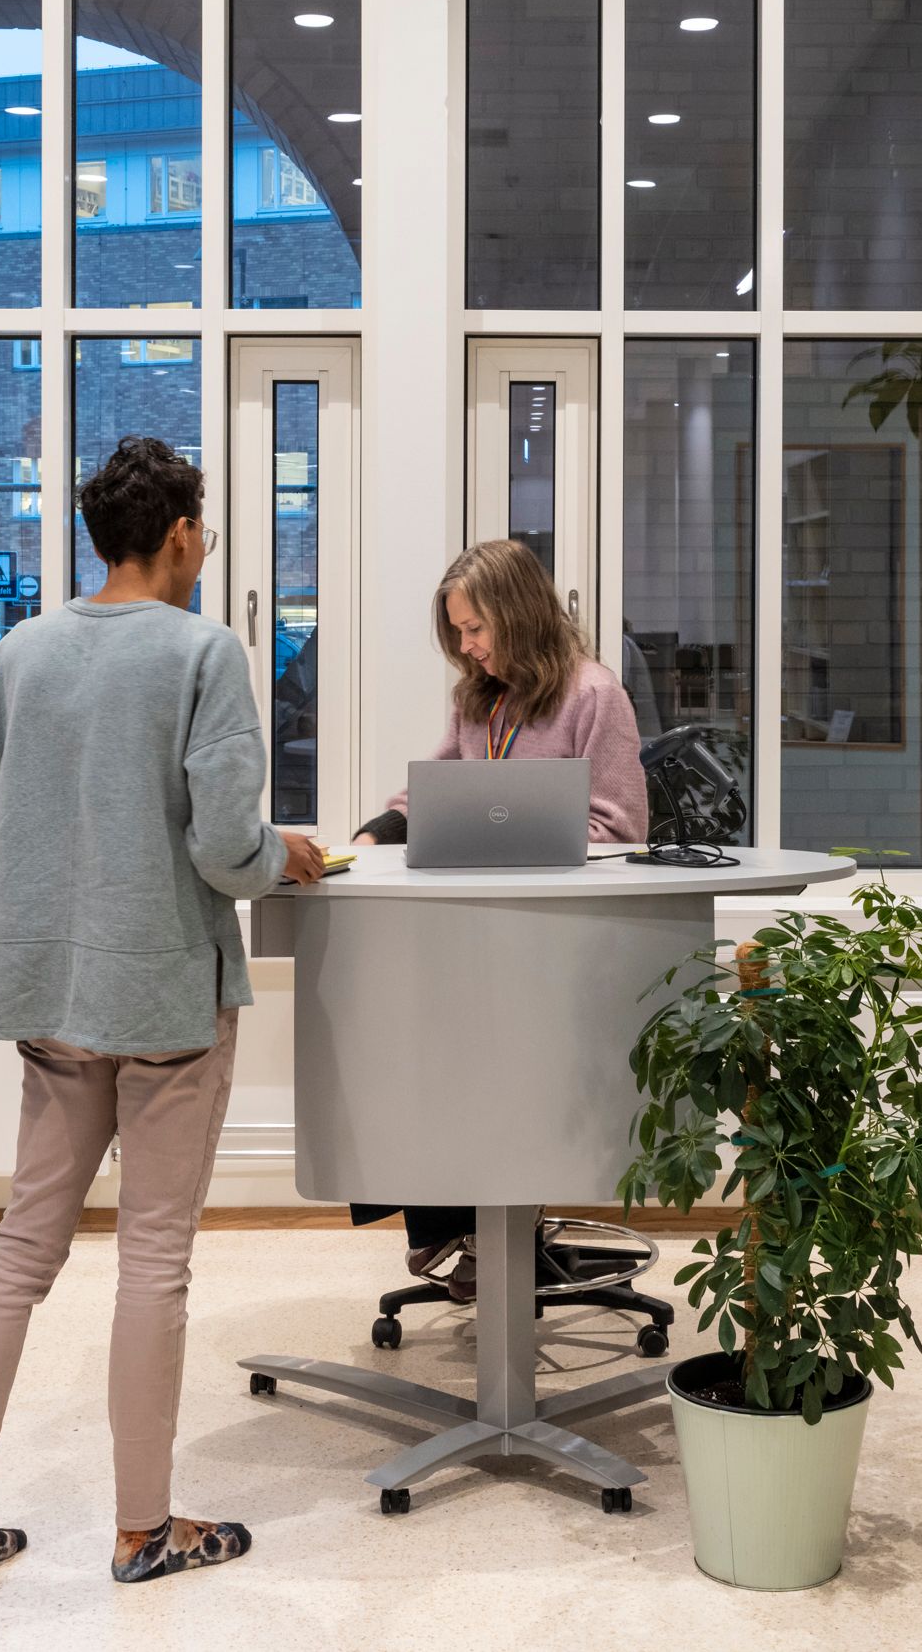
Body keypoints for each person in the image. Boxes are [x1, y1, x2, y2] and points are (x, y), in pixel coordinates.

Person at [0, 436, 325, 1592]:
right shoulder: (205, 650)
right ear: (182, 534)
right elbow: (222, 845)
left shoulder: (22, 649)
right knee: (154, 1257)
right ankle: (145, 1530)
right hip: (164, 998)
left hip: (51, 997)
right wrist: (280, 856)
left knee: (20, 1249)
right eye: (203, 529)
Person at [346, 539, 648, 1297]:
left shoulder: (592, 695)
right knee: (403, 1035)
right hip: (481, 938)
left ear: (516, 614)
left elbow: (620, 828)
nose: (467, 647)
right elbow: (437, 790)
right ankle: (454, 1219)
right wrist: (378, 831)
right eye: (457, 633)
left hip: (561, 946)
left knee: (467, 1052)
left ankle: (469, 1225)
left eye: (475, 629)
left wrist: (525, 838)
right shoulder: (477, 702)